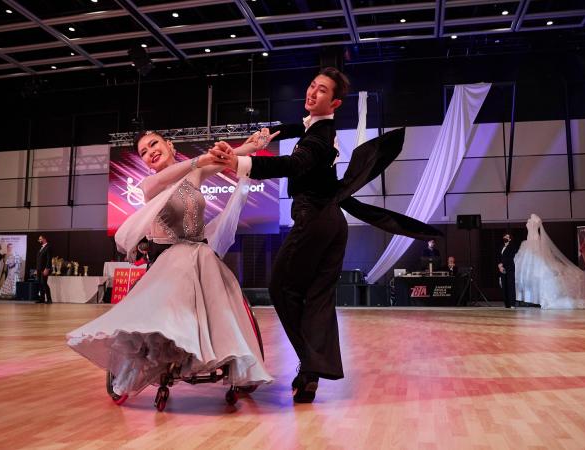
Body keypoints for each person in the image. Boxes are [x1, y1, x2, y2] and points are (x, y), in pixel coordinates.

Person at [210, 67, 437, 403]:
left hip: (314, 218)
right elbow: (295, 127)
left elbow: (294, 164)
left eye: (321, 91)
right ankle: (311, 372)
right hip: (333, 223)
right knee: (317, 297)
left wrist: (240, 164)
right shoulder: (317, 128)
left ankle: (311, 364)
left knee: (281, 288)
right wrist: (264, 136)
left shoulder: (317, 137)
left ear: (335, 101)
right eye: (312, 86)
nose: (312, 92)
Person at [67, 128, 275, 401]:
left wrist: (252, 145)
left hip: (201, 254)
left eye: (154, 144)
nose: (150, 151)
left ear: (169, 144)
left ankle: (225, 355)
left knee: (225, 299)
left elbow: (230, 157)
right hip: (171, 258)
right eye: (143, 151)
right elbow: (168, 177)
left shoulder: (195, 174)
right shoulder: (150, 186)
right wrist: (198, 161)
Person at [514, 214, 585, 309]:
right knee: (528, 272)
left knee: (536, 270)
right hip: (530, 243)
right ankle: (528, 299)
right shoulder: (532, 221)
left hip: (535, 241)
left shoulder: (536, 220)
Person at [497, 232, 518, 309]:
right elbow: (499, 256)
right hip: (502, 268)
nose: (505, 237)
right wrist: (499, 265)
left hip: (509, 268)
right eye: (505, 236)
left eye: (507, 236)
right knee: (504, 286)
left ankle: (512, 303)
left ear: (510, 238)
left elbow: (510, 257)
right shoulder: (501, 246)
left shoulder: (512, 246)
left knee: (510, 286)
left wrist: (502, 264)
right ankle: (507, 304)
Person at [36, 235, 53, 304]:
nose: (39, 241)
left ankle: (49, 299)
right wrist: (36, 269)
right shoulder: (41, 248)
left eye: (40, 239)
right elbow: (39, 259)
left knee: (44, 283)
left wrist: (47, 268)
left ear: (44, 239)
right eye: (39, 239)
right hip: (39, 269)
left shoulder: (48, 247)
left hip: (44, 269)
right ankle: (42, 299)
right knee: (40, 283)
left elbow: (49, 259)